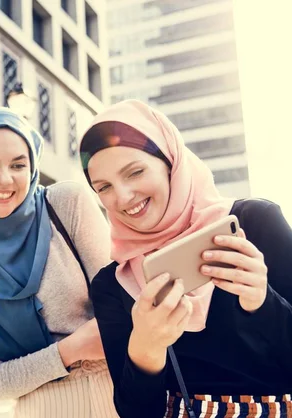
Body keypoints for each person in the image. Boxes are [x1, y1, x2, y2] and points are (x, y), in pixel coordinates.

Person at [80, 99, 292, 417]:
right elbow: (136, 412)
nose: (122, 197)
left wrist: (262, 302)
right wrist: (146, 346)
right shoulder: (112, 284)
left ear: (170, 162)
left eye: (135, 172)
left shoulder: (255, 223)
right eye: (104, 187)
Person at [0, 107, 118, 417]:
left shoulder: (66, 205)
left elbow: (121, 312)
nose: (5, 179)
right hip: (37, 409)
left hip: (114, 398)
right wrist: (69, 351)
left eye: (18, 164)